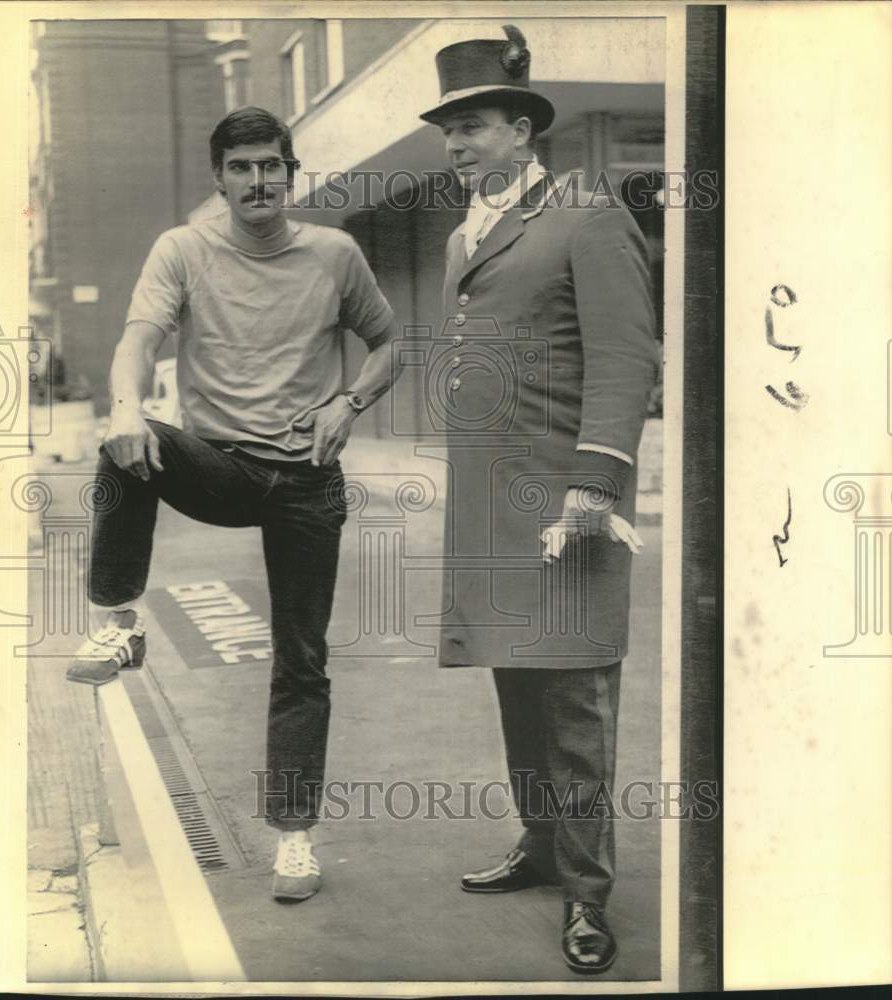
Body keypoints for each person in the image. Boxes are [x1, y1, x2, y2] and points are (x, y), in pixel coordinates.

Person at [67, 106, 401, 903]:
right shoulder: (183, 249)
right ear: (218, 180)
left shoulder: (335, 254)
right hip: (216, 464)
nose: (259, 181)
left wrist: (349, 405)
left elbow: (388, 344)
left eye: (271, 166)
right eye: (242, 168)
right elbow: (138, 337)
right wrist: (121, 406)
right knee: (128, 443)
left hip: (307, 479)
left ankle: (293, 838)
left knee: (302, 658)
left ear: (292, 174)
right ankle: (118, 624)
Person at [419, 26, 658, 974]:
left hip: (568, 504)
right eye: (448, 131)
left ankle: (589, 894)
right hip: (490, 504)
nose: (456, 145)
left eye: (472, 125)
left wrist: (596, 480)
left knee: (577, 701)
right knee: (515, 680)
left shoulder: (587, 211)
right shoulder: (461, 236)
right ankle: (540, 843)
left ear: (522, 129)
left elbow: (626, 357)